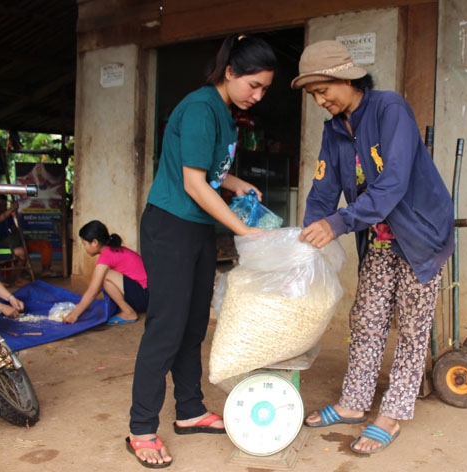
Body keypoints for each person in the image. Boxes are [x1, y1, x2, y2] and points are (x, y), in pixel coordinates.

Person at [291, 40, 455, 454]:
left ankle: (393, 414)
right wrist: (309, 232)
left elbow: (394, 182)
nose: (320, 100)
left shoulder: (389, 109)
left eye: (324, 90)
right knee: (366, 319)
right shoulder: (335, 129)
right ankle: (353, 404)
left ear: (347, 77)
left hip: (420, 234)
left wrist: (340, 222)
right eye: (314, 95)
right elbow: (324, 186)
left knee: (414, 328)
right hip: (380, 235)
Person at [126, 33, 277, 468]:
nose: (258, 95)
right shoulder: (199, 107)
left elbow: (208, 171)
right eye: (253, 84)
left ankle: (190, 411)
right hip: (170, 225)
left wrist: (234, 183)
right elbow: (192, 182)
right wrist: (243, 230)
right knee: (166, 328)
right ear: (230, 72)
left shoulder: (226, 115)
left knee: (193, 326)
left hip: (197, 230)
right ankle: (141, 428)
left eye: (265, 88)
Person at [63, 220, 148, 325]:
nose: (84, 248)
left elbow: (93, 291)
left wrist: (74, 314)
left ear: (94, 242)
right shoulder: (113, 249)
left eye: (84, 244)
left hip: (146, 297)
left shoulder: (107, 256)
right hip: (150, 295)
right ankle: (127, 310)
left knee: (105, 277)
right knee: (103, 279)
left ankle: (128, 313)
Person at [0, 196, 28, 286]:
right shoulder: (5, 215)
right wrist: (11, 209)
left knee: (22, 252)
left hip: (4, 247)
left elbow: (14, 229)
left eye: (4, 205)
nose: (2, 207)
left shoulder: (7, 216)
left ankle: (18, 278)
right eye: (0, 205)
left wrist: (20, 236)